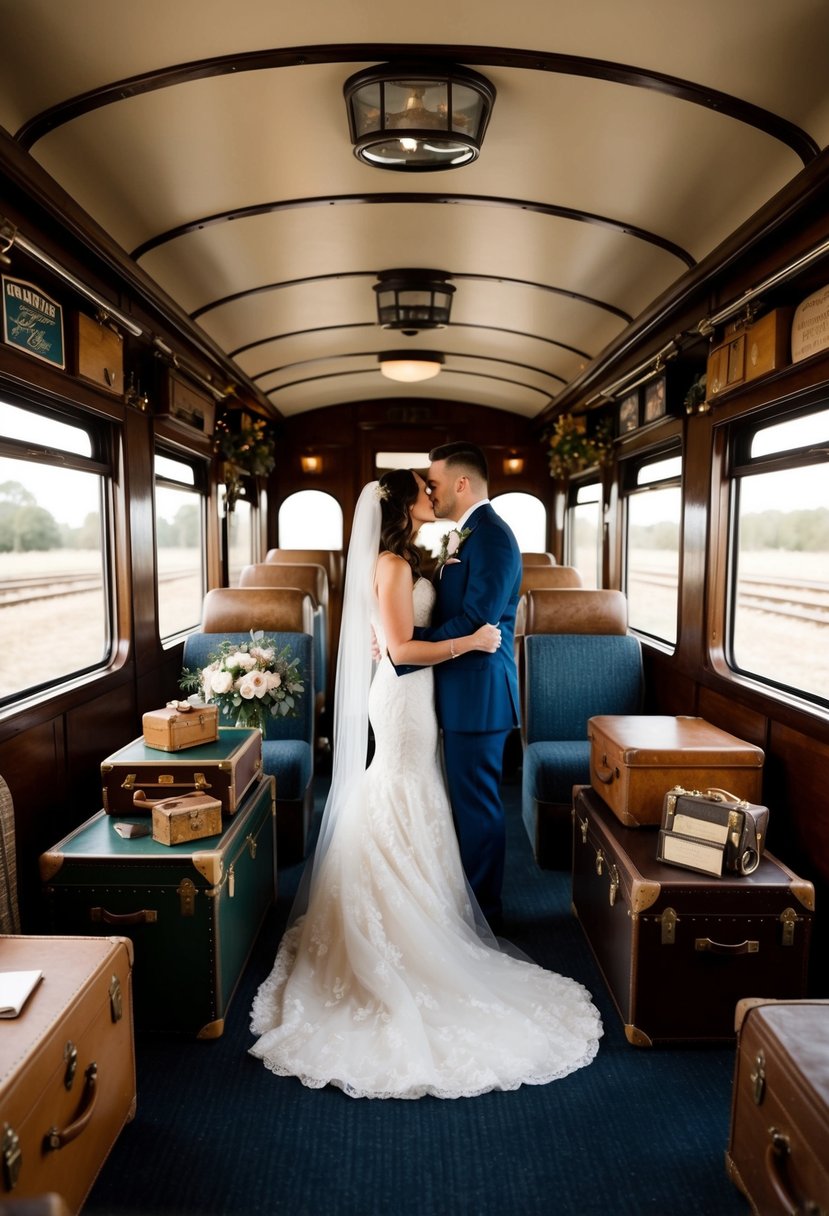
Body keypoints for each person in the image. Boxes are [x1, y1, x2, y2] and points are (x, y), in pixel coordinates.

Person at [249, 470, 602, 1100]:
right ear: (401, 504)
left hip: (427, 696)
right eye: (421, 489)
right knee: (402, 785)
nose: (431, 494)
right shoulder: (389, 564)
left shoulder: (415, 555)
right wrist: (470, 639)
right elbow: (399, 649)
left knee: (422, 795)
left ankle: (432, 911)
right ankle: (400, 920)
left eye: (433, 485)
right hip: (405, 696)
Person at [413, 441, 522, 930]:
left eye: (433, 483)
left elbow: (479, 618)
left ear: (462, 483)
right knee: (460, 803)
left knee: (477, 807)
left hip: (480, 694)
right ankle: (467, 903)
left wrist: (407, 644)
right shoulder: (466, 534)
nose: (430, 492)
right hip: (457, 688)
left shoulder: (493, 537)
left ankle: (486, 918)